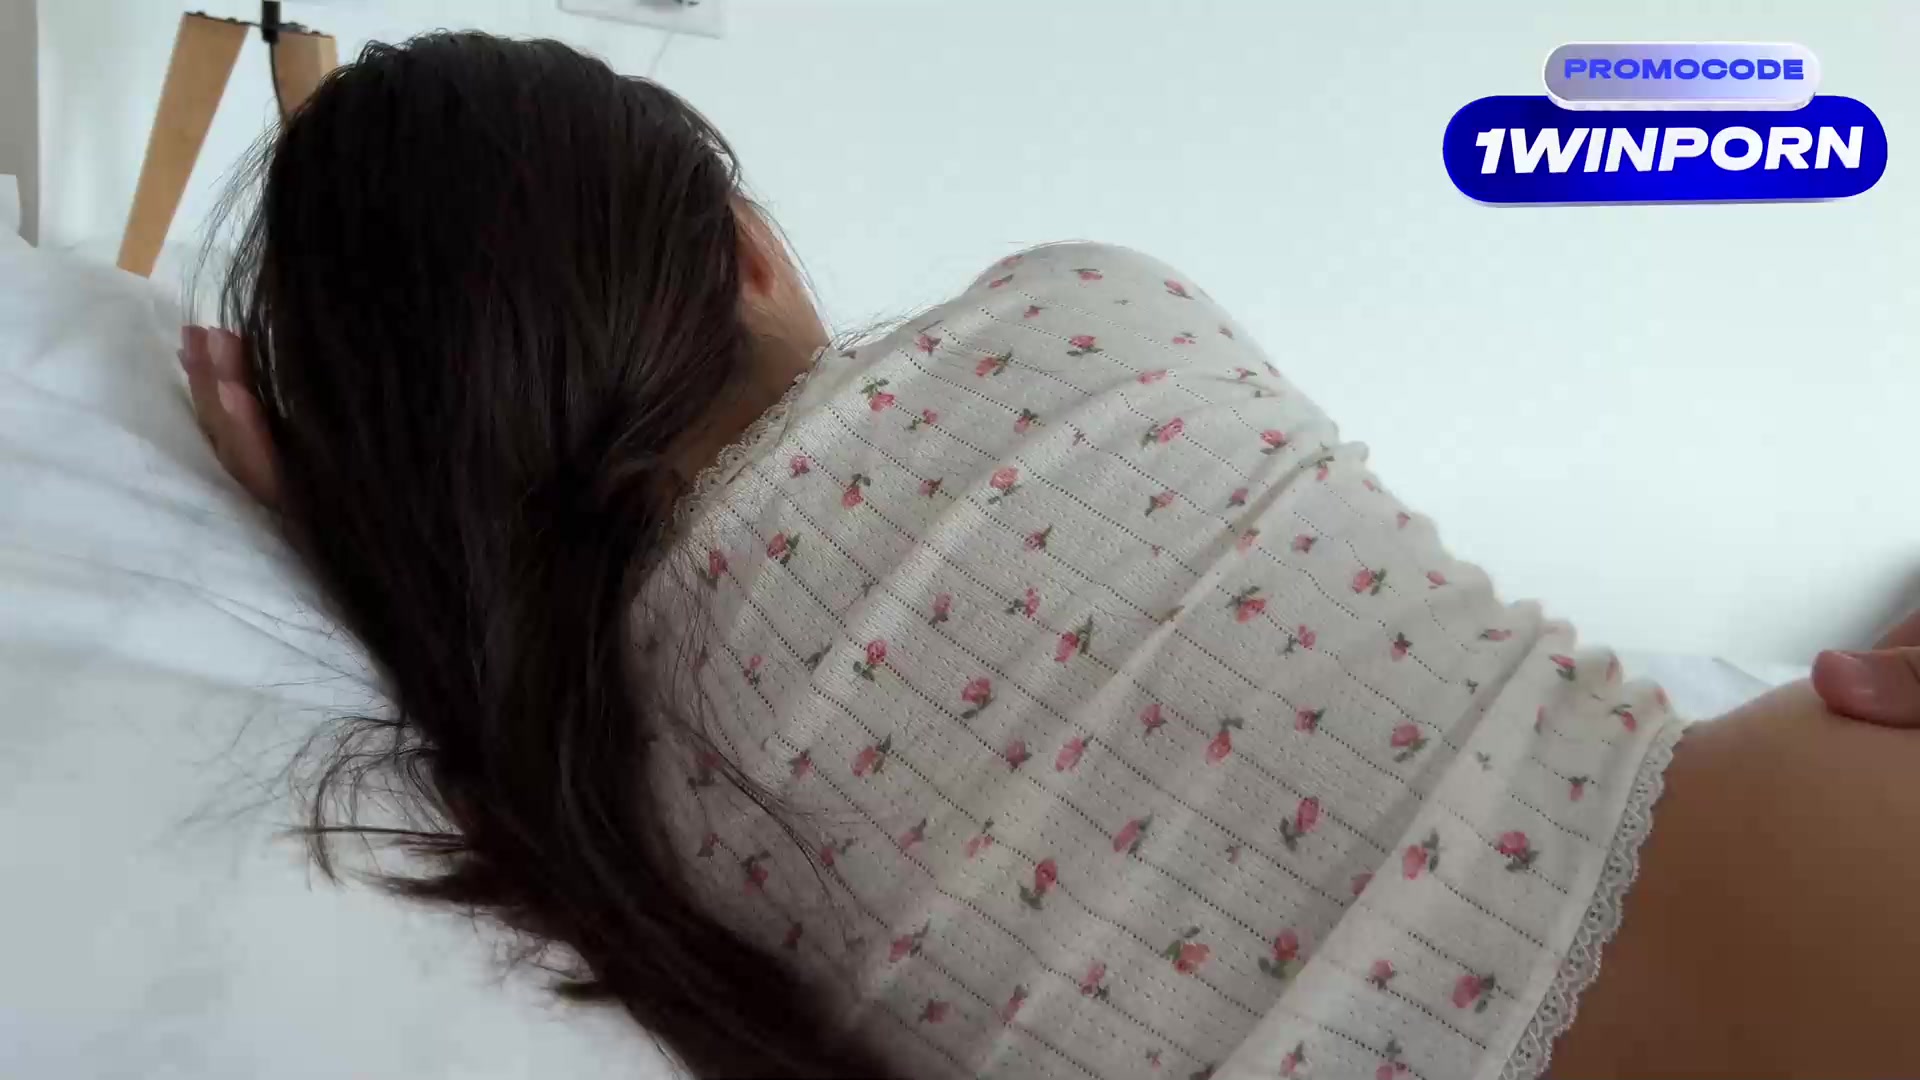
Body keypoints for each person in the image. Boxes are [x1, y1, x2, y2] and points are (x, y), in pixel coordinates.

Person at [180, 32, 1920, 1080]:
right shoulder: (1083, 302)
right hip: (1820, 856)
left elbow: (487, 651)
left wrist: (363, 554)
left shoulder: (594, 786)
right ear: (749, 252)